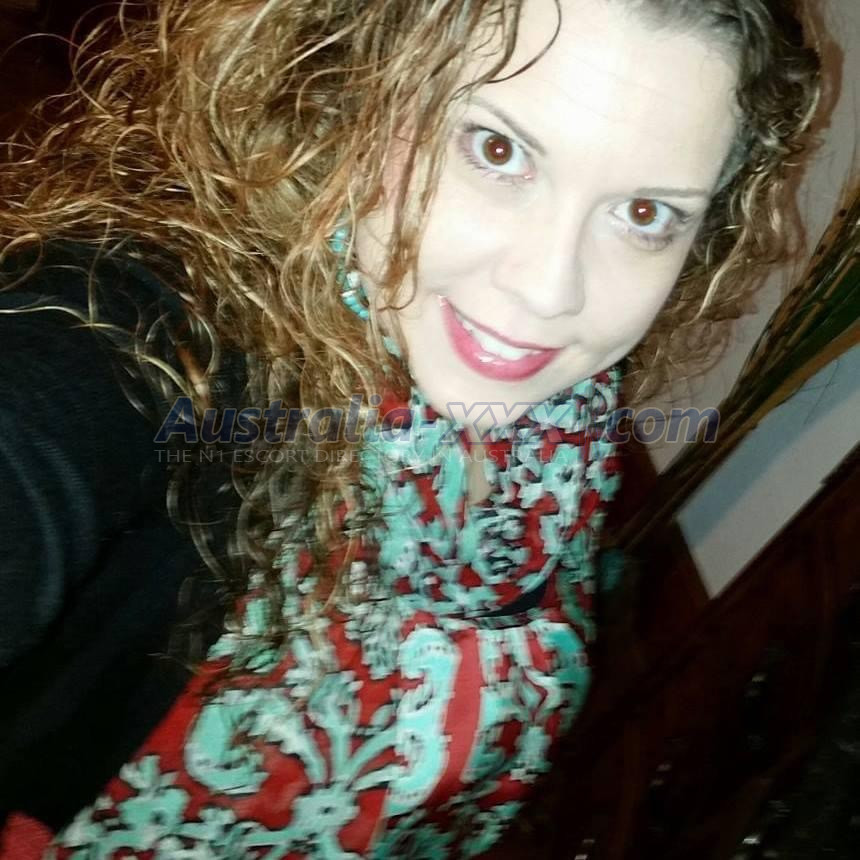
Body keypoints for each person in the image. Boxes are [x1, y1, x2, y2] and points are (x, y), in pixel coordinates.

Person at [0, 0, 821, 856]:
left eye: (644, 214)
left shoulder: (562, 428)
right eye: (496, 150)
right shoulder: (160, 344)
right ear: (354, 86)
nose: (551, 291)